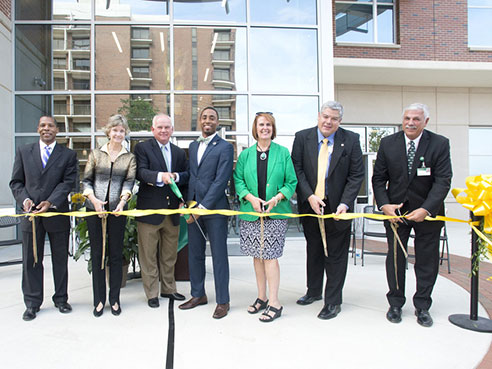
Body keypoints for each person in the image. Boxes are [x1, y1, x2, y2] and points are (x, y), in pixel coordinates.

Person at [372, 103, 452, 327]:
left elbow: (443, 180)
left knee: (427, 260)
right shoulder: (388, 143)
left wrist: (426, 209)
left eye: (416, 119)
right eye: (407, 118)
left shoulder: (439, 143)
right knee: (396, 258)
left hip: (427, 212)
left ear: (425, 122)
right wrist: (384, 205)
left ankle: (423, 305)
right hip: (395, 212)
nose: (410, 123)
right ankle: (395, 303)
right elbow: (378, 179)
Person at [291, 101, 364, 320]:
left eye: (334, 118)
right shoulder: (302, 137)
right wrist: (309, 196)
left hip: (338, 209)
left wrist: (345, 203)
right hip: (311, 205)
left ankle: (333, 301)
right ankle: (313, 291)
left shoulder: (351, 140)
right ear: (318, 116)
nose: (328, 122)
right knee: (313, 250)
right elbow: (297, 169)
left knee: (335, 255)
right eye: (325, 116)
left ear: (340, 121)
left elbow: (356, 175)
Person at [10, 116, 78, 321]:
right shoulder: (24, 151)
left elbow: (68, 183)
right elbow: (16, 182)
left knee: (59, 260)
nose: (46, 129)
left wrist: (50, 202)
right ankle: (32, 303)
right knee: (31, 260)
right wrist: (25, 201)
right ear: (37, 129)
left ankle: (61, 299)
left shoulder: (68, 154)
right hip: (30, 216)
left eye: (50, 126)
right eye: (42, 125)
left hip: (56, 213)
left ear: (57, 130)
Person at [233, 112, 297, 322]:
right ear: (255, 128)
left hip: (274, 214)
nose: (265, 128)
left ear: (273, 128)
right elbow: (238, 180)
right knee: (257, 257)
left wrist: (278, 198)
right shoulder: (245, 155)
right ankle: (261, 297)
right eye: (261, 124)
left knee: (270, 256)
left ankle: (275, 302)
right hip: (252, 213)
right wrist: (251, 198)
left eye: (268, 124)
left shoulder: (283, 153)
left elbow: (291, 182)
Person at [178, 106, 234, 319]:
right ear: (199, 121)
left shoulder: (225, 147)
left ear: (217, 123)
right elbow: (193, 177)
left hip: (215, 209)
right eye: (204, 117)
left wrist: (203, 207)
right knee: (195, 254)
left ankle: (223, 301)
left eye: (212, 118)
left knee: (219, 256)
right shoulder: (193, 146)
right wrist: (187, 203)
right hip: (193, 209)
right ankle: (198, 295)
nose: (208, 120)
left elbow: (221, 180)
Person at [82, 114, 136, 317]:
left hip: (117, 211)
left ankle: (114, 300)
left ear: (125, 133)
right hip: (94, 210)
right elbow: (86, 180)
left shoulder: (129, 157)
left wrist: (122, 202)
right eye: (115, 130)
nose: (118, 134)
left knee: (115, 255)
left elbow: (129, 182)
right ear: (108, 132)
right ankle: (98, 300)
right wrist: (94, 201)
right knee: (97, 255)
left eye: (122, 131)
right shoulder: (96, 154)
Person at [134, 114, 189, 308]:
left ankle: (169, 289)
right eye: (160, 127)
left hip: (173, 212)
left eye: (167, 127)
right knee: (148, 256)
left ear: (172, 130)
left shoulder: (179, 152)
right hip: (149, 212)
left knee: (169, 255)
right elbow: (140, 172)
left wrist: (176, 178)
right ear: (153, 129)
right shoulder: (142, 148)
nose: (164, 130)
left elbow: (186, 176)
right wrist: (160, 176)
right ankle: (152, 294)